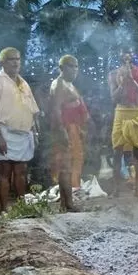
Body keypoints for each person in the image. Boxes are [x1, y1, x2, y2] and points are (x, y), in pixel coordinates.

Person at [0, 47, 40, 215]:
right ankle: (3, 210)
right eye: (11, 59)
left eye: (18, 59)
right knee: (5, 171)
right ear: (2, 62)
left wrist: (35, 132)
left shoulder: (23, 83)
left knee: (21, 171)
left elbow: (33, 110)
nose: (16, 62)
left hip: (23, 133)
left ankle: (22, 207)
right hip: (4, 131)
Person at [49, 55, 89, 211]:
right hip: (64, 129)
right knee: (65, 165)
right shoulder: (58, 84)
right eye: (71, 66)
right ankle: (67, 204)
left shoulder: (70, 84)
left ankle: (67, 203)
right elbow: (56, 109)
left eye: (76, 66)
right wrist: (63, 131)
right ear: (62, 68)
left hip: (73, 128)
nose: (74, 70)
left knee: (71, 164)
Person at [109, 49, 138, 196]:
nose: (126, 56)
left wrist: (132, 80)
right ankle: (116, 189)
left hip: (137, 111)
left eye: (129, 53)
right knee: (117, 151)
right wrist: (123, 83)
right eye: (124, 53)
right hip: (121, 112)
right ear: (120, 57)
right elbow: (113, 98)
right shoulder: (113, 74)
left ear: (133, 56)